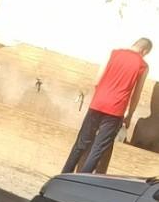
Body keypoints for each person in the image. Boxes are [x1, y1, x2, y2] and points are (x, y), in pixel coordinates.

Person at [62, 37, 152, 174]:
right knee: (97, 149)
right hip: (116, 110)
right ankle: (81, 181)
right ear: (145, 51)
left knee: (81, 143)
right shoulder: (143, 66)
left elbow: (97, 81)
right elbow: (136, 94)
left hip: (97, 104)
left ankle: (63, 175)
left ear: (134, 44)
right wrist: (129, 116)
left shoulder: (113, 53)